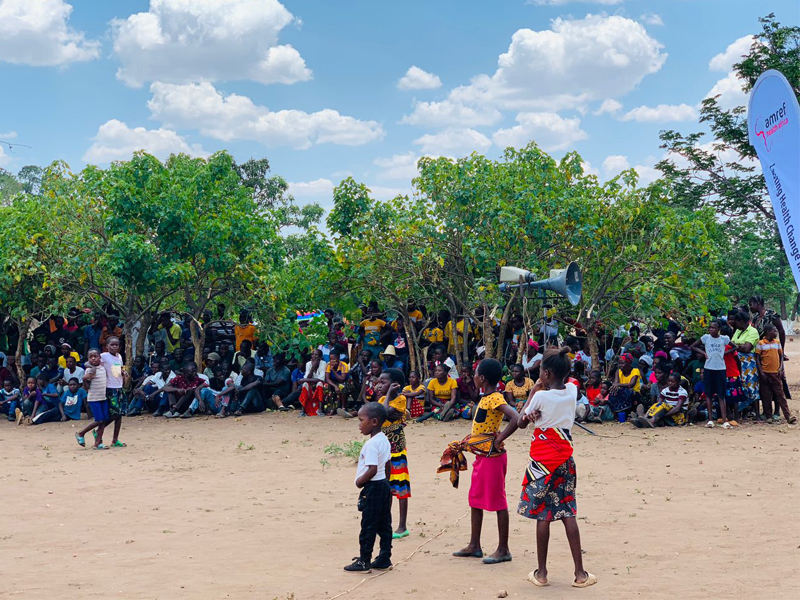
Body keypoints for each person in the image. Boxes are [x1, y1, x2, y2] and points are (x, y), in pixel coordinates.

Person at [517, 347, 596, 588]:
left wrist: (533, 392)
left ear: (546, 373)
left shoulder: (540, 397)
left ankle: (541, 573)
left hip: (541, 464)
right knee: (568, 511)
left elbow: (521, 422)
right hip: (564, 461)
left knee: (543, 515)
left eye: (541, 371)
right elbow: (567, 383)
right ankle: (580, 574)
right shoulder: (572, 391)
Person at [450, 358, 519, 565]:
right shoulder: (486, 397)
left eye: (475, 374)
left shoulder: (495, 398)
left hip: (492, 457)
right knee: (475, 498)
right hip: (483, 455)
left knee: (498, 501)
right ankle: (474, 545)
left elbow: (516, 418)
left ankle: (503, 549)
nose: (473, 377)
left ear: (481, 378)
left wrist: (500, 438)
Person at [344, 401, 392, 573]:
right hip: (383, 485)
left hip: (373, 487)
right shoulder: (384, 439)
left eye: (361, 420)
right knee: (384, 524)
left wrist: (359, 482)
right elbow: (388, 464)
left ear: (374, 422)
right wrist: (387, 483)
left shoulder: (371, 444)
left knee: (368, 525)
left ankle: (364, 561)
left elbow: (372, 469)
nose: (359, 425)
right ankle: (385, 558)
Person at [378, 368, 412, 538]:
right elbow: (381, 413)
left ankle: (402, 526)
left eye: (383, 382)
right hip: (385, 450)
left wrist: (390, 396)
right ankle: (387, 524)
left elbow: (382, 413)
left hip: (397, 449)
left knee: (400, 485)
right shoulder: (383, 399)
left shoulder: (401, 399)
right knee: (387, 486)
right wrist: (386, 398)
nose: (379, 385)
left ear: (395, 385)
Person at [690, 320, 730, 428]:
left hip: (720, 368)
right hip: (708, 368)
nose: (711, 329)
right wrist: (704, 353)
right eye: (710, 327)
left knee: (721, 394)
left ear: (719, 329)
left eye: (713, 328)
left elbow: (734, 347)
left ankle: (724, 420)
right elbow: (693, 346)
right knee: (708, 394)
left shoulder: (724, 339)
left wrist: (724, 353)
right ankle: (710, 420)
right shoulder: (706, 338)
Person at [756, 324, 795, 424]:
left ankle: (788, 416)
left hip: (776, 373)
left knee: (780, 395)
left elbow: (781, 356)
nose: (776, 333)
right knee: (766, 395)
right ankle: (768, 416)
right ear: (768, 332)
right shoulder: (760, 343)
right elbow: (757, 359)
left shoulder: (777, 342)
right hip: (765, 373)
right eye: (774, 331)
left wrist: (781, 368)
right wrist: (761, 372)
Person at [76, 349, 111, 449]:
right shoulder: (89, 371)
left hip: (103, 398)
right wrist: (84, 379)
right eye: (90, 357)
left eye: (95, 356)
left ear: (100, 357)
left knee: (104, 420)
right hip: (94, 399)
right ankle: (81, 433)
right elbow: (86, 388)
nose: (93, 358)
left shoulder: (102, 368)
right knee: (99, 420)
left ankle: (98, 442)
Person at [730, 310, 761, 418]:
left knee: (752, 386)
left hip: (749, 363)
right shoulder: (738, 331)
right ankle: (743, 413)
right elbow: (732, 344)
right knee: (740, 386)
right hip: (737, 362)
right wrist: (739, 346)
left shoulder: (752, 331)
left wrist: (736, 346)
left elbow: (747, 348)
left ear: (741, 321)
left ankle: (757, 414)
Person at [608, 353, 641, 419]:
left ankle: (629, 413)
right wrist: (614, 387)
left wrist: (618, 385)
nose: (620, 365)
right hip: (622, 392)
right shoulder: (618, 371)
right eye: (619, 363)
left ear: (629, 363)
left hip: (634, 393)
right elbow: (615, 384)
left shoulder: (635, 371)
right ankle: (616, 413)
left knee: (627, 391)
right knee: (613, 392)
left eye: (622, 363)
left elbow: (631, 384)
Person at [297, 349, 328, 416]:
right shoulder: (308, 364)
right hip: (311, 385)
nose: (314, 356)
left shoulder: (323, 363)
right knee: (305, 384)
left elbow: (320, 379)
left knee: (319, 384)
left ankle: (320, 410)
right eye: (313, 354)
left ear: (320, 357)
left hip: (320, 386)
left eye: (316, 355)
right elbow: (307, 377)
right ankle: (302, 410)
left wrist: (303, 380)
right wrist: (313, 367)